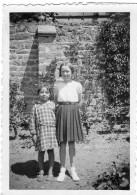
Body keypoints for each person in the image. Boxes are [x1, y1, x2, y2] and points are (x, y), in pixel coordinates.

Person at [54, 62, 84, 182]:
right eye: (63, 71)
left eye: (68, 71)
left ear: (72, 72)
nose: (65, 73)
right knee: (62, 142)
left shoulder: (77, 85)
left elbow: (80, 101)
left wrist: (74, 110)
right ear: (60, 72)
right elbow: (56, 100)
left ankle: (72, 169)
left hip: (73, 111)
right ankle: (62, 169)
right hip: (61, 111)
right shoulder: (57, 85)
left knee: (71, 143)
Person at [30, 84, 58, 182]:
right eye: (42, 92)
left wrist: (58, 132)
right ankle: (41, 171)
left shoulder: (53, 105)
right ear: (38, 94)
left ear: (50, 94)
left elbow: (57, 119)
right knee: (41, 152)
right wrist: (33, 133)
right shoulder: (35, 106)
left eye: (46, 92)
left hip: (51, 131)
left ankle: (50, 172)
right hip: (40, 131)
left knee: (51, 151)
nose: (44, 94)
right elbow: (32, 120)